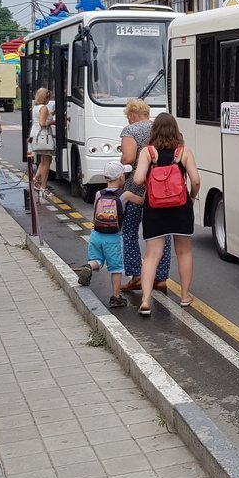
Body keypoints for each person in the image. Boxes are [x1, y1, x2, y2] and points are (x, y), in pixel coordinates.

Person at [132, 113, 200, 316]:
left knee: (152, 255)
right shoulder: (183, 152)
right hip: (181, 207)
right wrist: (192, 198)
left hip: (155, 208)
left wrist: (151, 184)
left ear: (154, 131)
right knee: (184, 252)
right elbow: (195, 180)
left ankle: (145, 300)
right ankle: (185, 296)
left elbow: (136, 180)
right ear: (175, 129)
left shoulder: (148, 152)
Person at [118, 99, 170, 293]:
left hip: (136, 188)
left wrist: (120, 159)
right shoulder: (159, 128)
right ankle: (161, 277)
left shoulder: (130, 131)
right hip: (160, 190)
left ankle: (136, 275)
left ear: (131, 114)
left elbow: (129, 159)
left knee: (130, 231)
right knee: (162, 233)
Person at [76, 161, 139, 308]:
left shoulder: (99, 194)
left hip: (96, 234)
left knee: (97, 260)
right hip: (113, 237)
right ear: (120, 178)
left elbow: (95, 214)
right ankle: (116, 297)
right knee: (116, 268)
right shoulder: (125, 195)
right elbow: (141, 201)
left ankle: (88, 267)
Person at [28, 87, 54, 199]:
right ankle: (43, 187)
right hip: (43, 136)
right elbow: (43, 123)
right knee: (46, 162)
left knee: (45, 160)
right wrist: (54, 122)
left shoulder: (36, 107)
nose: (49, 99)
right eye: (49, 97)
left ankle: (36, 179)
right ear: (45, 97)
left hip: (35, 135)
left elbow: (42, 116)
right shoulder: (43, 107)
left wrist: (53, 112)